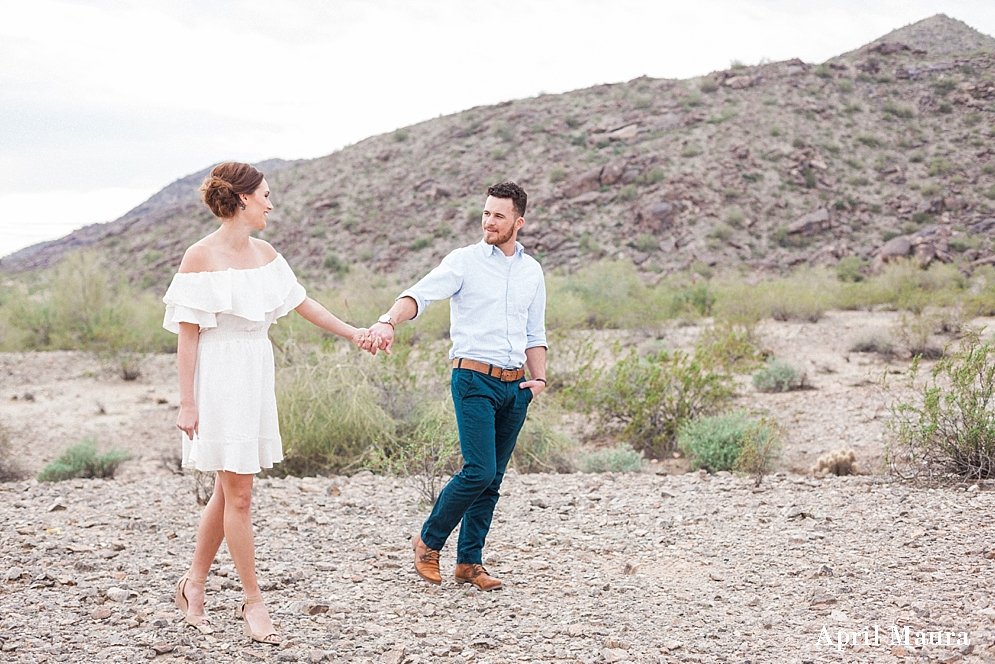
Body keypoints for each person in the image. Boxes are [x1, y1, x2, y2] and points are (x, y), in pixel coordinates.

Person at [163, 162, 370, 644]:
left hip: (255, 370)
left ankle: (193, 586)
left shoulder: (267, 254)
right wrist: (186, 403)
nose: (271, 205)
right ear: (241, 200)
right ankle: (253, 602)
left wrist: (355, 333)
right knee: (238, 493)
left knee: (227, 487)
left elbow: (304, 304)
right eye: (265, 196)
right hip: (217, 376)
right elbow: (187, 338)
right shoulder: (199, 256)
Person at [364, 181, 547, 591]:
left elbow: (535, 332)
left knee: (494, 477)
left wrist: (539, 380)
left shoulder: (531, 270)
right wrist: (387, 320)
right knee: (478, 469)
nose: (489, 222)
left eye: (498, 216)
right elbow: (419, 296)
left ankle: (470, 562)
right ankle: (428, 542)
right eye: (485, 213)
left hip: (515, 387)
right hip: (473, 379)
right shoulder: (464, 262)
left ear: (518, 221)